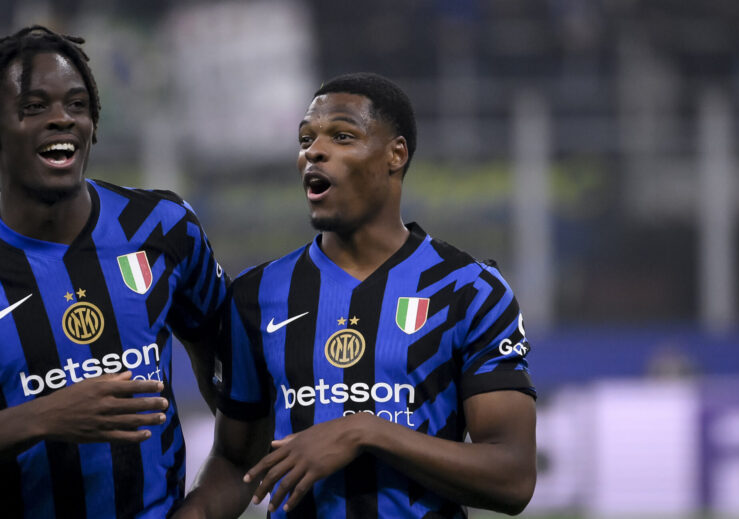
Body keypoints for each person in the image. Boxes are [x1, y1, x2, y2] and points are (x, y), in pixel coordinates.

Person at [0, 26, 228, 518]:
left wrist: (206, 506)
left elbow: (235, 385)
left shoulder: (162, 227)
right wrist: (43, 417)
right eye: (35, 106)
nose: (62, 119)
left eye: (77, 105)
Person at [175, 73, 537, 518]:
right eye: (306, 138)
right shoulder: (256, 295)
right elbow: (236, 460)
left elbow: (513, 477)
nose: (315, 150)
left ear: (395, 154)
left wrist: (364, 432)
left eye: (342, 136)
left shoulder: (469, 290)